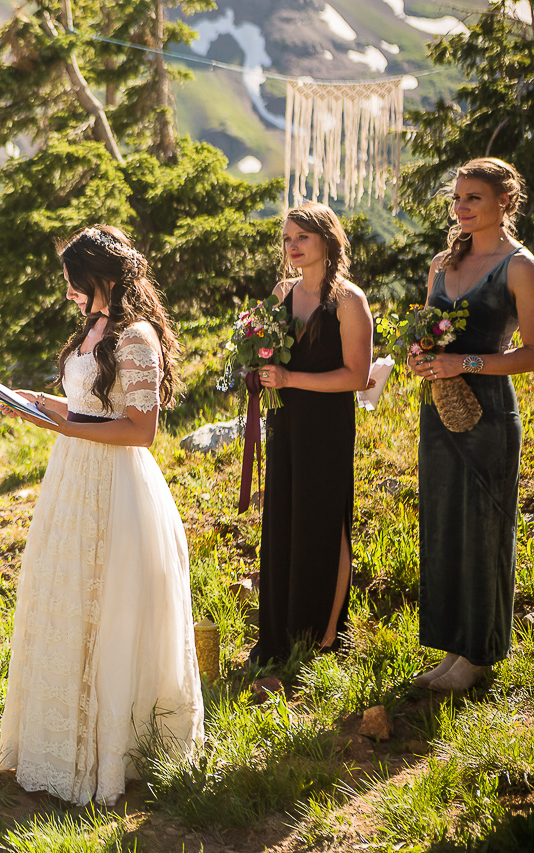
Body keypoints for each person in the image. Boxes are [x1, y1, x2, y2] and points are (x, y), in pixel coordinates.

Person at [0, 225, 203, 806]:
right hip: (72, 479)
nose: (67, 292)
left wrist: (64, 424)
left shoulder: (136, 337)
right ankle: (60, 738)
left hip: (116, 486)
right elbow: (90, 409)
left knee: (111, 608)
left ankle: (114, 751)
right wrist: (44, 406)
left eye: (73, 281)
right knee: (65, 598)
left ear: (101, 278)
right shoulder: (93, 329)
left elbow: (141, 430)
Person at [409, 158, 534, 692]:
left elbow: (532, 352)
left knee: (484, 527)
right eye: (457, 199)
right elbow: (428, 327)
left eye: (473, 199)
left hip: (488, 411)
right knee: (443, 523)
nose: (461, 208)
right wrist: (420, 353)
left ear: (505, 201)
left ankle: (480, 656)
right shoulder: (442, 261)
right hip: (439, 405)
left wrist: (468, 363)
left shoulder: (520, 266)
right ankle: (453, 646)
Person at [250, 204, 373, 665]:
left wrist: (290, 380)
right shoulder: (282, 292)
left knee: (324, 520)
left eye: (302, 236)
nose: (293, 246)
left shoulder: (347, 300)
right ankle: (283, 631)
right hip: (285, 421)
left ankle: (325, 635)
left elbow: (357, 376)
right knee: (284, 518)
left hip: (325, 424)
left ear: (327, 240)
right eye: (287, 239)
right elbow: (266, 349)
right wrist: (257, 368)